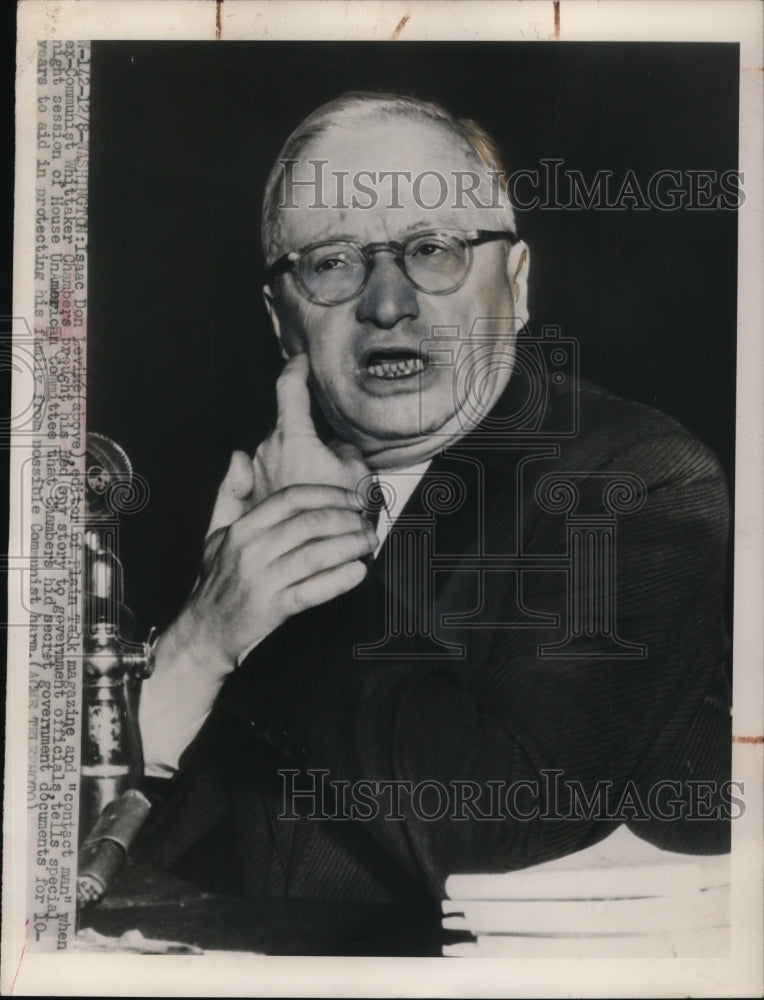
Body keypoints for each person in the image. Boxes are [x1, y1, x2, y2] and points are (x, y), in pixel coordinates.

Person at [137, 93, 732, 906]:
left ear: (516, 285)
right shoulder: (227, 522)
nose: (388, 303)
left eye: (434, 248)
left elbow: (503, 815)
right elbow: (132, 878)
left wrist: (306, 574)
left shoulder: (637, 481)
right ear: (282, 319)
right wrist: (197, 648)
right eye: (333, 261)